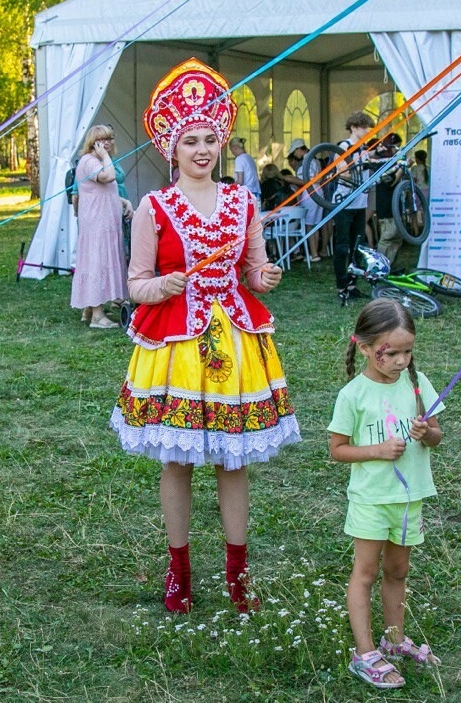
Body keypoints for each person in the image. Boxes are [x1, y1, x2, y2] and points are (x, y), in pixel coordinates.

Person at [111, 59, 300, 615]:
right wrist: (162, 284)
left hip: (237, 344)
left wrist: (262, 276)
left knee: (233, 460)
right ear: (171, 146)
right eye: (189, 139)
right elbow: (135, 284)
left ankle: (238, 574)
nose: (201, 149)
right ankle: (180, 570)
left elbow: (253, 270)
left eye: (209, 139)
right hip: (176, 349)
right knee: (178, 461)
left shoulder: (243, 201)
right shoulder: (154, 206)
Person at [330, 299, 443, 689]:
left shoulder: (416, 384)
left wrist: (428, 433)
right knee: (365, 573)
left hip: (409, 499)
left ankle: (394, 641)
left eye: (407, 351)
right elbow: (337, 449)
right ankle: (364, 654)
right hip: (371, 500)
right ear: (363, 347)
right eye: (390, 352)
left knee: (398, 571)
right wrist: (377, 451)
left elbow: (437, 434)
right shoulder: (353, 395)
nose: (400, 360)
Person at [71, 124, 130, 328]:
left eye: (110, 138)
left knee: (105, 262)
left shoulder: (101, 161)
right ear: (94, 143)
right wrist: (105, 156)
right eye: (103, 140)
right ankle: (97, 315)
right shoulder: (89, 161)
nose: (108, 143)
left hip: (107, 223)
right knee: (97, 263)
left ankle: (90, 308)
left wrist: (125, 202)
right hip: (97, 223)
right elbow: (108, 177)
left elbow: (105, 192)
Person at [333, 112, 375, 301]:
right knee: (342, 246)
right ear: (353, 127)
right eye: (363, 127)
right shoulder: (344, 147)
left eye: (368, 127)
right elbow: (341, 173)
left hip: (360, 203)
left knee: (357, 245)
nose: (366, 130)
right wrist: (359, 167)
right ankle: (342, 286)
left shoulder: (364, 149)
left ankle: (353, 283)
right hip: (344, 202)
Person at [370, 133, 406, 270]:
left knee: (397, 238)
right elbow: (390, 182)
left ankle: (389, 265)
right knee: (387, 236)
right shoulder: (383, 161)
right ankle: (378, 267)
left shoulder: (392, 160)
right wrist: (401, 169)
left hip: (395, 205)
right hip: (386, 205)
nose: (398, 149)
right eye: (396, 146)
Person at [229, 137, 262, 201]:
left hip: (246, 194)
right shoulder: (250, 158)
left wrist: (228, 188)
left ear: (235, 147)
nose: (232, 152)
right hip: (255, 191)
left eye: (231, 150)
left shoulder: (239, 159)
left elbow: (240, 181)